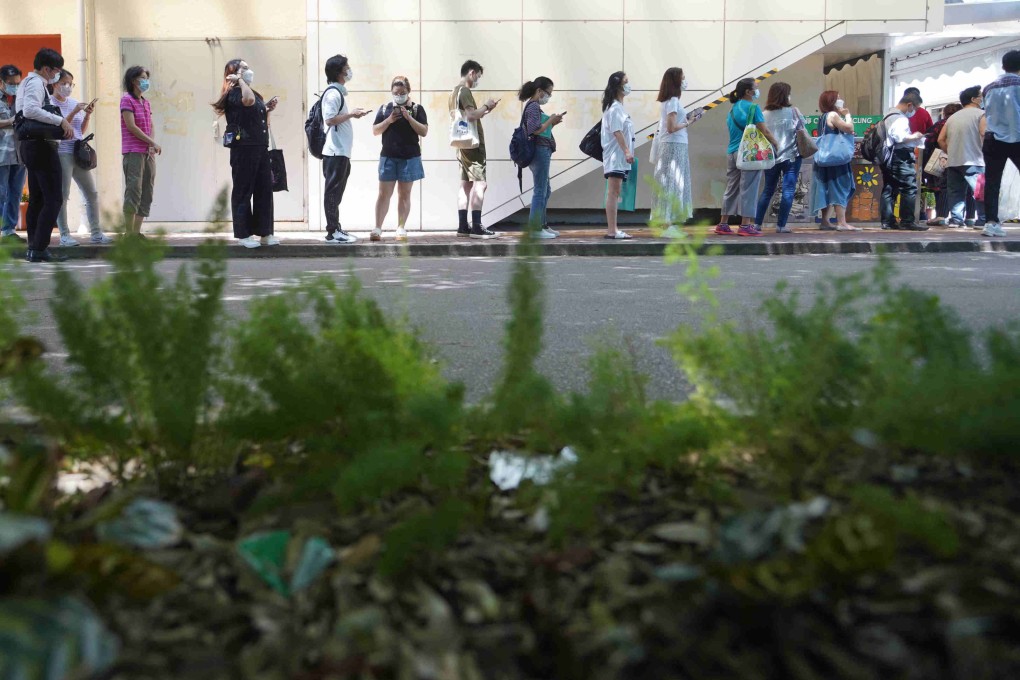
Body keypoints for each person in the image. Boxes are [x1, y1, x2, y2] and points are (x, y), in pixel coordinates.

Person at [213, 59, 279, 248]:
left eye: (248, 67)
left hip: (260, 146)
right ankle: (244, 234)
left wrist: (267, 109)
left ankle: (265, 233)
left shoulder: (253, 93)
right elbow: (247, 101)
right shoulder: (234, 93)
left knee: (264, 190)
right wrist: (239, 81)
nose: (249, 70)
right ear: (234, 73)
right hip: (243, 148)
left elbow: (257, 115)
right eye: (244, 68)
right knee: (243, 190)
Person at [16, 48, 73, 262]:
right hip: (40, 146)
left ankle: (34, 247)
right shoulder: (35, 83)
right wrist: (60, 120)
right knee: (53, 198)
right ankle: (39, 248)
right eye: (56, 71)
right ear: (47, 69)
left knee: (38, 199)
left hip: (31, 146)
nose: (57, 75)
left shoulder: (30, 83)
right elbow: (30, 110)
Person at [49, 70, 112, 246]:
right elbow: (59, 129)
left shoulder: (74, 103)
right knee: (63, 195)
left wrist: (87, 114)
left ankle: (97, 233)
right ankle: (64, 235)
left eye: (71, 83)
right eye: (64, 83)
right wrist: (74, 112)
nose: (68, 87)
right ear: (55, 84)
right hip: (62, 152)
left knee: (91, 193)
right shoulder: (49, 104)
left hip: (78, 152)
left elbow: (79, 131)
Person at [717, 77, 778, 236]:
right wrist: (776, 144)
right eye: (755, 87)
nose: (757, 90)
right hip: (748, 153)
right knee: (749, 188)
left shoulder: (732, 109)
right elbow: (764, 130)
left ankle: (723, 223)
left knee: (731, 188)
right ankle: (745, 225)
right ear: (748, 92)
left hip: (732, 151)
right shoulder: (753, 108)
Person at [371, 76, 428, 242]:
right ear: (391, 92)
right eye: (396, 92)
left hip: (409, 157)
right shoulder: (385, 109)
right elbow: (375, 130)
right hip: (388, 156)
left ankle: (401, 227)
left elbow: (424, 131)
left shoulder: (417, 109)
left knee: (405, 194)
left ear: (408, 92)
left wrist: (409, 117)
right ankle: (377, 228)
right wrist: (389, 120)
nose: (399, 95)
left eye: (402, 92)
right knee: (383, 194)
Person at [321, 54, 369, 244]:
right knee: (332, 192)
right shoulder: (333, 93)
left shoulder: (337, 93)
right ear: (339, 72)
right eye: (346, 67)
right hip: (335, 152)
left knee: (336, 193)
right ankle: (332, 232)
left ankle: (336, 228)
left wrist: (351, 114)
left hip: (341, 152)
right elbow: (330, 119)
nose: (349, 70)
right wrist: (351, 115)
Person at [451, 60, 500, 239]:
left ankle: (463, 226)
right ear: (471, 73)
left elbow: (467, 115)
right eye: (478, 76)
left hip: (461, 145)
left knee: (465, 184)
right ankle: (477, 227)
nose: (477, 80)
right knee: (481, 183)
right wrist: (486, 105)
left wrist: (485, 111)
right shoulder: (464, 91)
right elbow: (471, 116)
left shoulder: (454, 92)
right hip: (473, 145)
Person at [652, 67, 696, 239]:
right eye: (683, 78)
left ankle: (668, 222)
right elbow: (671, 128)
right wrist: (688, 122)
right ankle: (667, 223)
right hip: (673, 145)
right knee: (672, 182)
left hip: (675, 144)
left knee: (673, 182)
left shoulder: (671, 101)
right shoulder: (672, 101)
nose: (685, 81)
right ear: (676, 81)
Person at [980, 49, 1020, 238]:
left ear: (1003, 66)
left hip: (993, 138)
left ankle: (990, 222)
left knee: (992, 182)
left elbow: (986, 112)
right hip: (1018, 137)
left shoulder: (988, 87)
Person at [754, 82, 803, 234]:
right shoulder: (793, 112)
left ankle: (757, 224)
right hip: (791, 156)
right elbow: (802, 129)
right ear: (785, 95)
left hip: (771, 157)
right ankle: (781, 226)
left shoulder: (763, 114)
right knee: (788, 190)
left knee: (768, 190)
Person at [518, 75, 562, 239]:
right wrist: (550, 119)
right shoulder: (533, 106)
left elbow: (539, 128)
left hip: (542, 150)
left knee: (545, 189)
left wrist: (551, 123)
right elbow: (534, 130)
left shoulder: (534, 107)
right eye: (548, 93)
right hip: (539, 151)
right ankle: (535, 229)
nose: (548, 96)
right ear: (539, 91)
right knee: (540, 189)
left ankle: (542, 224)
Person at [939, 86, 986, 229]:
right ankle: (982, 220)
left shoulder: (952, 117)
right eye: (980, 96)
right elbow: (984, 133)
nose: (982, 99)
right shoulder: (981, 114)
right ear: (973, 99)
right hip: (975, 159)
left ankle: (956, 220)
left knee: (955, 192)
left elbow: (941, 139)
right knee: (979, 191)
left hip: (954, 161)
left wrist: (951, 151)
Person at [810, 90, 858, 231]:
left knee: (827, 188)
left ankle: (825, 221)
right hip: (837, 160)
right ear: (832, 101)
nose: (840, 100)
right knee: (840, 188)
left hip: (825, 158)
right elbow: (849, 128)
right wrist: (848, 114)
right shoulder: (833, 115)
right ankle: (842, 222)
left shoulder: (823, 117)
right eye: (838, 98)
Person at [880, 91, 928, 231]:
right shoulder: (900, 118)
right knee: (909, 187)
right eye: (916, 108)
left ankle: (887, 221)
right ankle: (907, 220)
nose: (914, 111)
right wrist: (915, 136)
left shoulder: (888, 115)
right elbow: (900, 137)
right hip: (900, 156)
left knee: (890, 188)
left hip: (888, 155)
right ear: (909, 105)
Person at [120, 65, 159, 237]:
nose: (146, 81)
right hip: (133, 151)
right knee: (133, 190)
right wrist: (152, 142)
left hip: (147, 152)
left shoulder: (146, 102)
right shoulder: (127, 100)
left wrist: (152, 143)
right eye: (143, 78)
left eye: (146, 78)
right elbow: (131, 126)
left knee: (147, 190)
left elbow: (150, 124)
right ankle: (128, 233)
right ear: (133, 80)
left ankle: (136, 232)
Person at [601, 71, 635, 240]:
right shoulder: (615, 108)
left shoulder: (618, 108)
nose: (629, 85)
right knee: (613, 193)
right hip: (615, 157)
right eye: (626, 82)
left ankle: (613, 229)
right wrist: (627, 151)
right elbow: (617, 131)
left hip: (618, 157)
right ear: (618, 86)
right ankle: (612, 230)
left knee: (615, 192)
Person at [924, 103, 963, 226]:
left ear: (944, 113)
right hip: (964, 157)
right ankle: (969, 217)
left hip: (942, 158)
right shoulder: (962, 123)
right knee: (964, 189)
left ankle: (941, 216)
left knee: (942, 187)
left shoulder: (941, 124)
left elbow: (929, 140)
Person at [0, 64, 26, 243]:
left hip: (20, 153)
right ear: (1, 82)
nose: (14, 86)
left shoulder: (22, 98)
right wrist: (11, 120)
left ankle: (8, 230)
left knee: (16, 192)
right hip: (1, 154)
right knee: (1, 193)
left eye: (17, 83)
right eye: (10, 83)